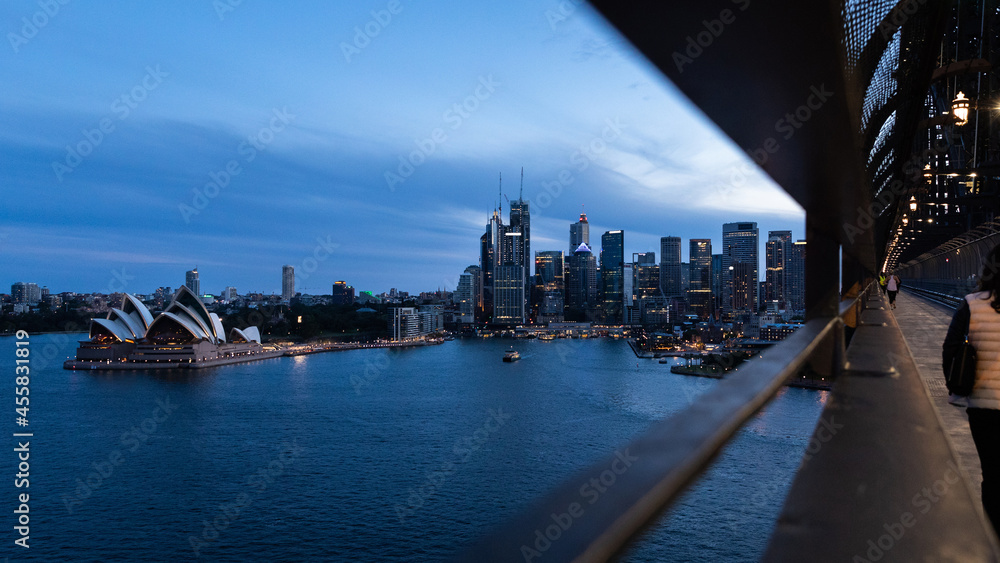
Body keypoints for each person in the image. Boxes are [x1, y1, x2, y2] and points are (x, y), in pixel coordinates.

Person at [944, 242, 1000, 533]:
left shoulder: (972, 304)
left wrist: (954, 386)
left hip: (984, 407)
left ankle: (993, 536)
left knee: (992, 475)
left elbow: (950, 349)